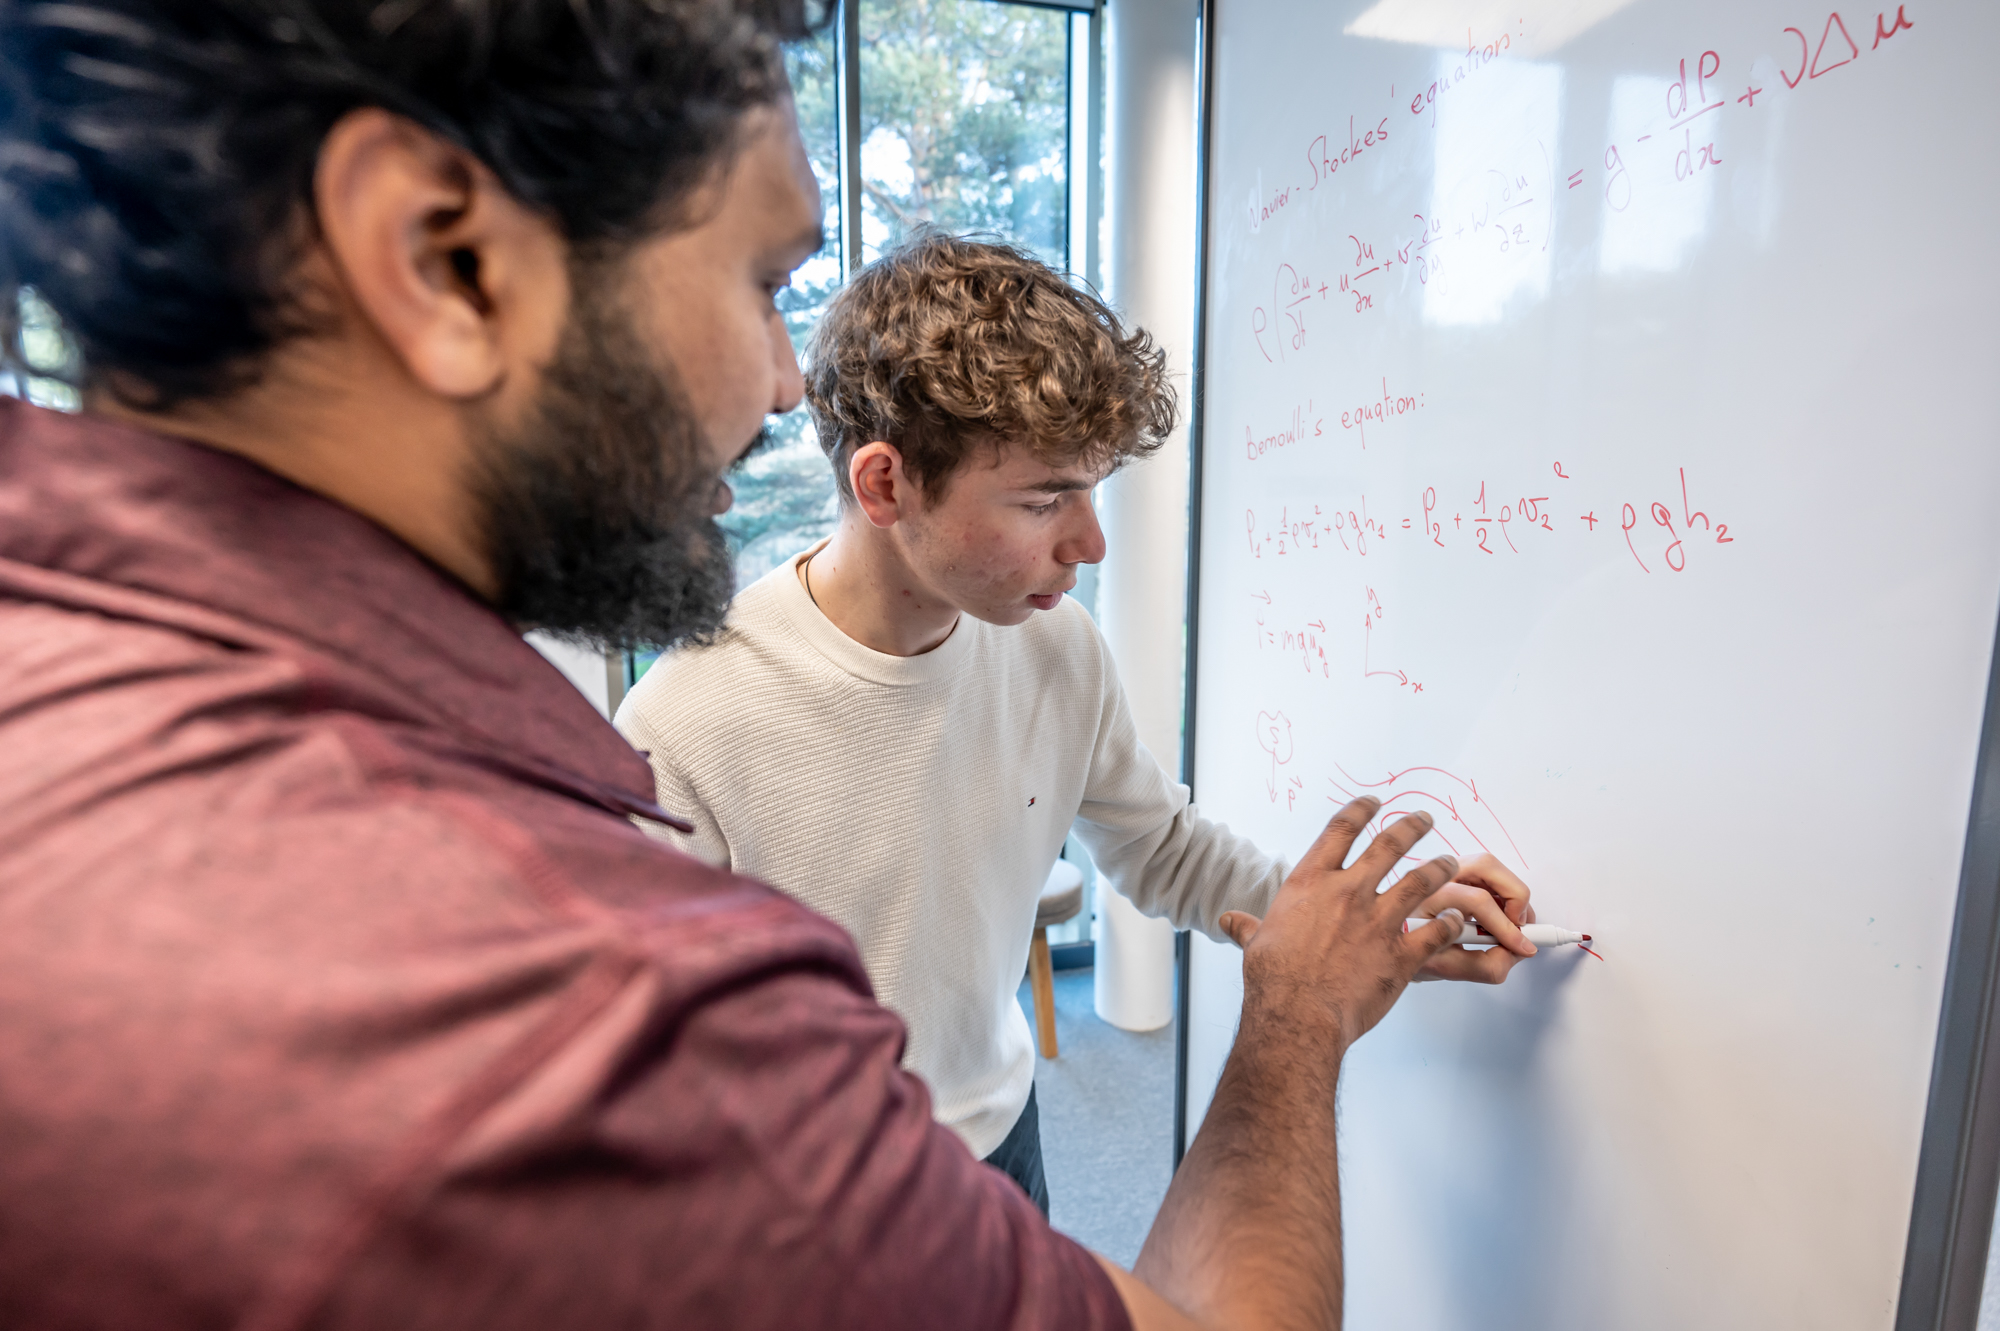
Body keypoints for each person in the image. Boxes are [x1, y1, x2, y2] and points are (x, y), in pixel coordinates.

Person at [0, 1, 1475, 1327]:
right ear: (443, 257)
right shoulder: (605, 965)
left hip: (996, 1121)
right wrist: (1297, 1011)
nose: (783, 383)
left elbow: (1158, 842)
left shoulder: (97, 679)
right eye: (763, 279)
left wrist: (1330, 923)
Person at [616, 232, 1540, 1210]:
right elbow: (638, 1059)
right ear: (884, 484)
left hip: (1000, 1133)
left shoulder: (1053, 644)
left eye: (1091, 489)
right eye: (1044, 499)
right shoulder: (685, 724)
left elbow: (1164, 851)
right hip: (807, 1197)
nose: (1089, 542)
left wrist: (1379, 922)